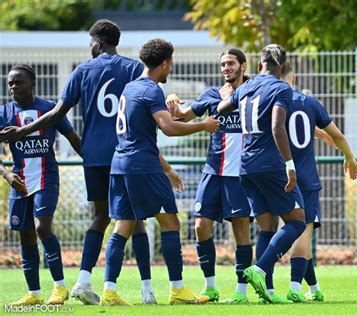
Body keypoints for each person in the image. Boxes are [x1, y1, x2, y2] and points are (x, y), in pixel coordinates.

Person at [0, 19, 182, 305]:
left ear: (98, 42)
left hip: (93, 155)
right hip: (126, 153)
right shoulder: (133, 68)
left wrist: (23, 130)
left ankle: (84, 279)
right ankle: (146, 290)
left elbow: (59, 112)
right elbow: (150, 94)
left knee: (101, 217)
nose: (90, 48)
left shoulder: (82, 70)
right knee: (136, 221)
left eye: (90, 43)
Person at [100, 38, 220, 306]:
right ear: (164, 63)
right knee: (171, 223)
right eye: (171, 64)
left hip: (120, 164)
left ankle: (108, 291)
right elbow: (168, 127)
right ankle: (177, 289)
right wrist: (204, 125)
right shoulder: (150, 90)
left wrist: (172, 105)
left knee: (122, 227)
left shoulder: (130, 88)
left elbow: (143, 133)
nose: (171, 69)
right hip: (143, 167)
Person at [217, 44, 306, 304]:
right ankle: (259, 268)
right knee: (297, 221)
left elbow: (222, 109)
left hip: (245, 167)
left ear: (258, 66)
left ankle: (266, 289)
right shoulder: (281, 88)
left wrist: (227, 96)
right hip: (270, 165)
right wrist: (290, 165)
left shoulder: (245, 88)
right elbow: (278, 127)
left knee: (267, 226)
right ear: (285, 68)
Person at [166, 48, 253, 304]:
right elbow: (180, 116)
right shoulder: (212, 95)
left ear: (243, 66)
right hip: (213, 171)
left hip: (241, 174)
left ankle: (241, 292)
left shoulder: (252, 94)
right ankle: (211, 287)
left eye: (231, 64)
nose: (226, 68)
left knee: (241, 233)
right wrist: (172, 99)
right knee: (200, 227)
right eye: (223, 64)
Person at [1, 64, 81, 306]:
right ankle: (34, 293)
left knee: (42, 228)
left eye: (19, 82)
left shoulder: (48, 109)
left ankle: (60, 287)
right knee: (26, 236)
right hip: (19, 180)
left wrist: (91, 161)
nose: (13, 86)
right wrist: (5, 175)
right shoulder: (4, 113)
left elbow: (72, 136)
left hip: (47, 176)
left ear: (32, 83)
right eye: (10, 82)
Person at [280, 62, 357, 302]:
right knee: (304, 234)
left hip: (280, 176)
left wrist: (318, 133)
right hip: (306, 178)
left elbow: (283, 129)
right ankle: (294, 287)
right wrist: (350, 158)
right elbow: (339, 135)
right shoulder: (310, 103)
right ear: (293, 77)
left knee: (295, 233)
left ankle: (314, 289)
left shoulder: (273, 103)